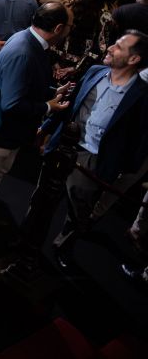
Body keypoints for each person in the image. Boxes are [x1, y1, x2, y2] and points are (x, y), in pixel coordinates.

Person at [0, 2, 74, 236]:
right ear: (59, 27)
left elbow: (24, 85)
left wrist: (52, 91)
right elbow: (11, 103)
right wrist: (47, 106)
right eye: (70, 25)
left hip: (13, 132)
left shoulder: (28, 40)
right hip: (5, 131)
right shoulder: (25, 50)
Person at [45, 31, 148, 269]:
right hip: (62, 147)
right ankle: (27, 239)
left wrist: (125, 168)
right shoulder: (95, 72)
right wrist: (45, 131)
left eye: (119, 47)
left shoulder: (142, 95)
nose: (110, 47)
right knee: (42, 198)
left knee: (78, 211)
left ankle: (63, 247)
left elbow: (141, 138)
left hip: (93, 161)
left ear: (134, 60)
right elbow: (69, 106)